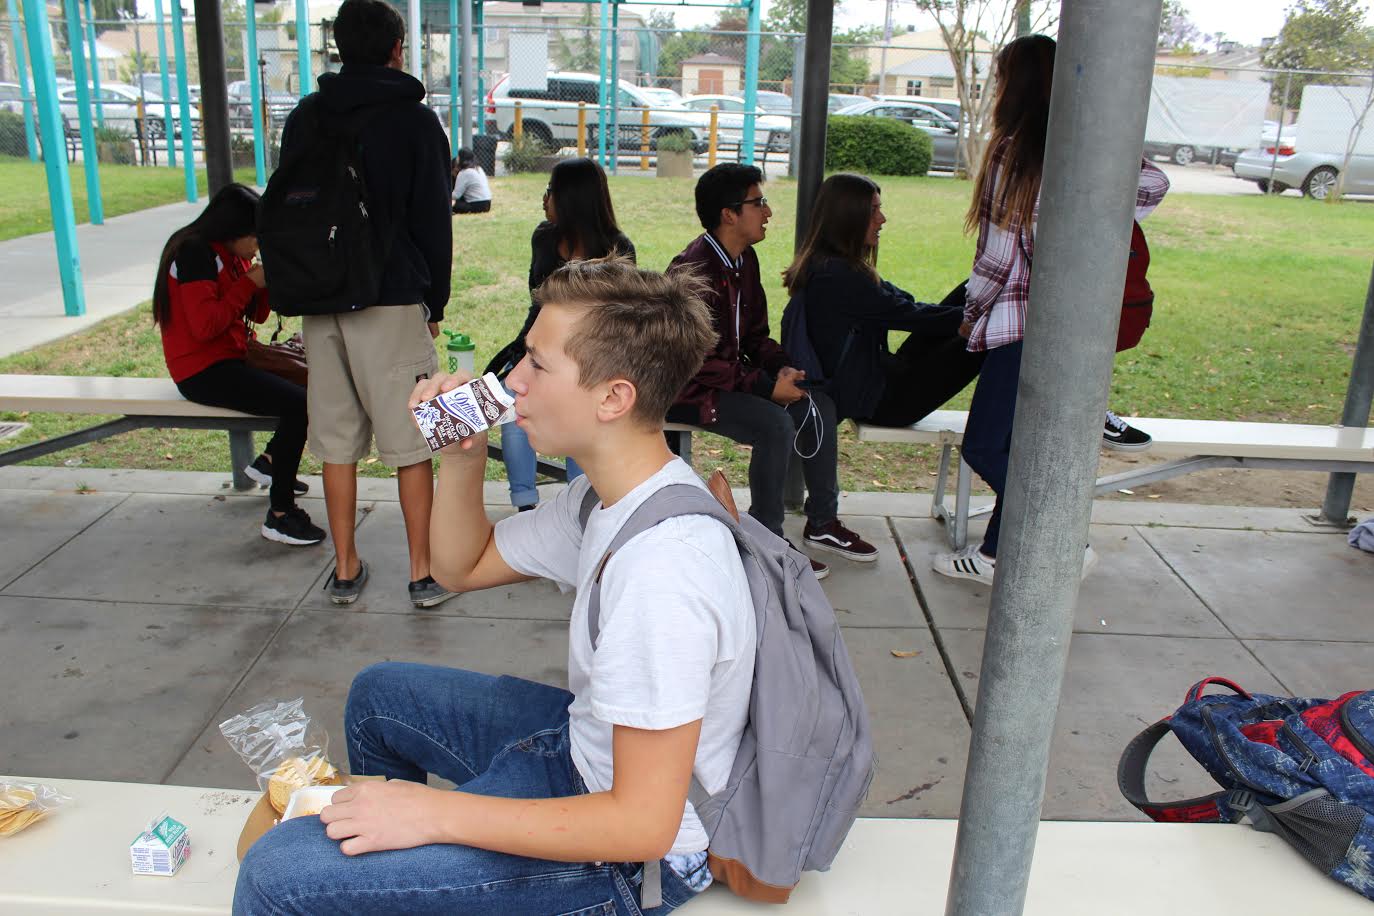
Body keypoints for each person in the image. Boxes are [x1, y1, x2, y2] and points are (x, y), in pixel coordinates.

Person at [234, 258, 743, 915]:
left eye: (537, 364)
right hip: (586, 755)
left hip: (631, 860)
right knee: (377, 696)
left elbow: (643, 823)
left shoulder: (662, 572)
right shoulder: (607, 498)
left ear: (613, 398)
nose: (512, 382)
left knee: (276, 874)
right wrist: (461, 454)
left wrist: (433, 813)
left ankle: (400, 868)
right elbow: (460, 566)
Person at [931, 34, 1169, 585]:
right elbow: (1154, 184)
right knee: (1019, 445)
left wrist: (972, 315)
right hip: (1074, 327)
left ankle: (1066, 537)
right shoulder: (1086, 147)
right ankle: (994, 555)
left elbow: (996, 256)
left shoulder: (1014, 153)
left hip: (1019, 326)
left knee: (987, 444)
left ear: (1014, 86)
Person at [279, 0, 455, 607]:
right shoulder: (413, 120)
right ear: (396, 49)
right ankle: (421, 572)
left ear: (338, 48)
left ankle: (347, 568)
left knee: (335, 442)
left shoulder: (307, 116)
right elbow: (433, 217)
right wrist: (435, 297)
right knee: (412, 442)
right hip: (388, 296)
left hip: (321, 296)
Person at [666, 163, 877, 578]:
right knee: (774, 424)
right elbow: (698, 362)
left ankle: (822, 523)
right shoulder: (693, 270)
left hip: (728, 380)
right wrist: (764, 386)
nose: (768, 212)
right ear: (729, 214)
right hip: (690, 389)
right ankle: (766, 539)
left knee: (819, 406)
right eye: (758, 202)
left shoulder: (745, 260)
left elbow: (757, 335)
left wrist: (783, 370)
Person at [153, 183, 324, 547]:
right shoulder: (195, 254)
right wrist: (248, 283)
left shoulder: (232, 255)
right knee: (297, 405)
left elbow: (257, 316)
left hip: (232, 357)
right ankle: (280, 514)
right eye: (255, 237)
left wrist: (263, 283)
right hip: (202, 370)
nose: (257, 246)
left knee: (312, 388)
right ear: (232, 230)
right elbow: (205, 326)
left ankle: (272, 464)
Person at [485, 157, 635, 511]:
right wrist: (524, 355)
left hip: (590, 359)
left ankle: (578, 504)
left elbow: (617, 319)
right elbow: (537, 305)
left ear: (571, 198)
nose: (544, 199)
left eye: (550, 191)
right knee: (513, 409)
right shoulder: (545, 239)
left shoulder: (618, 248)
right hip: (539, 351)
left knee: (580, 418)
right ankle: (524, 504)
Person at [782, 172, 985, 426]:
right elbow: (904, 313)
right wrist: (969, 319)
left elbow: (901, 304)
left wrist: (966, 315)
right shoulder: (837, 276)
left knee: (970, 289)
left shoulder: (832, 265)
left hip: (882, 376)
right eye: (873, 211)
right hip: (884, 402)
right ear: (849, 218)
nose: (882, 219)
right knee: (991, 332)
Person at [450, 147, 492, 214]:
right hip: (488, 204)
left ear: (462, 159)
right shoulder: (479, 168)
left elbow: (456, 195)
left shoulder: (464, 173)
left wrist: (443, 196)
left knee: (449, 203)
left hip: (476, 205)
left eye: (458, 156)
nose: (457, 158)